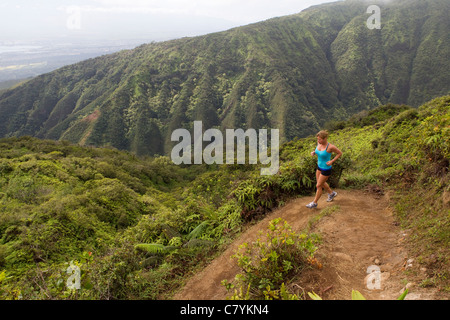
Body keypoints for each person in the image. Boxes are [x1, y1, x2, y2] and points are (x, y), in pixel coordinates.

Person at [306, 130, 342, 208]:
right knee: (320, 183)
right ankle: (331, 193)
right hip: (319, 167)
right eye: (318, 139)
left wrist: (332, 161)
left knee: (318, 185)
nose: (318, 141)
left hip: (326, 169)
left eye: (320, 139)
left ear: (325, 138)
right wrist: (314, 152)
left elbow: (340, 153)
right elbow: (318, 151)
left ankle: (314, 203)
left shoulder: (330, 147)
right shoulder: (319, 143)